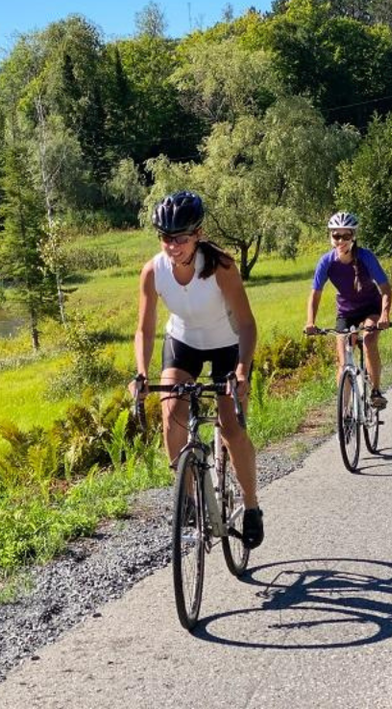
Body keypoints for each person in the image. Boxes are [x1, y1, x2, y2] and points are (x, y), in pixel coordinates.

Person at [130, 190, 264, 549]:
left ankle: (251, 506)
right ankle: (188, 495)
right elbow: (144, 328)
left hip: (226, 345)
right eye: (165, 237)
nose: (172, 246)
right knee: (171, 411)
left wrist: (240, 371)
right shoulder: (153, 271)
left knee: (232, 428)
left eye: (180, 238)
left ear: (198, 235)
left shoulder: (221, 267)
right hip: (183, 343)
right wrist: (142, 375)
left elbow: (248, 325)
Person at [304, 211, 392, 408]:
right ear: (330, 237)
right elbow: (315, 294)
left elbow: (385, 289)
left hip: (371, 307)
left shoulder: (365, 257)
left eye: (346, 236)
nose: (341, 240)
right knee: (344, 360)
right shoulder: (326, 262)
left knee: (369, 339)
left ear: (354, 236)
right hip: (346, 311)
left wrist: (385, 314)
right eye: (336, 235)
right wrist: (310, 321)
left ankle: (376, 391)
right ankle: (344, 413)